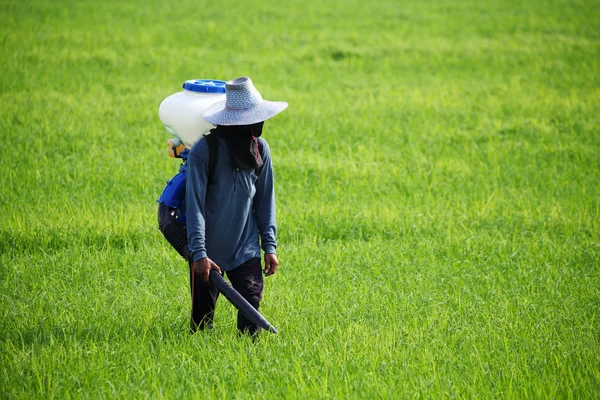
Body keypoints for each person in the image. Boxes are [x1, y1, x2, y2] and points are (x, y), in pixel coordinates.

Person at [185, 76, 287, 335]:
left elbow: (265, 200)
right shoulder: (204, 151)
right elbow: (194, 206)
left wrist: (269, 246)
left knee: (251, 309)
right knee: (202, 322)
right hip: (208, 252)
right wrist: (199, 254)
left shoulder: (260, 149)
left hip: (246, 249)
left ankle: (248, 360)